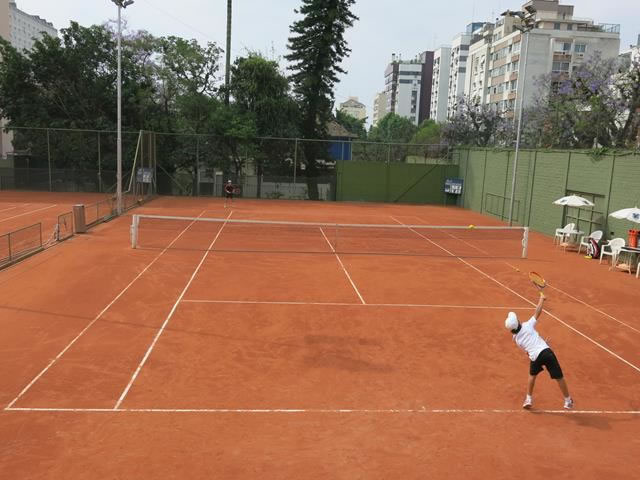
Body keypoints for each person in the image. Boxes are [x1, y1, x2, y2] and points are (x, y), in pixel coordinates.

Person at [505, 293, 574, 410]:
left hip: (535, 357)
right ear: (518, 322)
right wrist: (542, 299)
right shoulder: (527, 325)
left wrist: (540, 345)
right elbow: (538, 312)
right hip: (546, 352)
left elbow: (528, 350)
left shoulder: (516, 340)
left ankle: (528, 399)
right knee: (559, 377)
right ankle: (568, 401)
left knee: (532, 376)